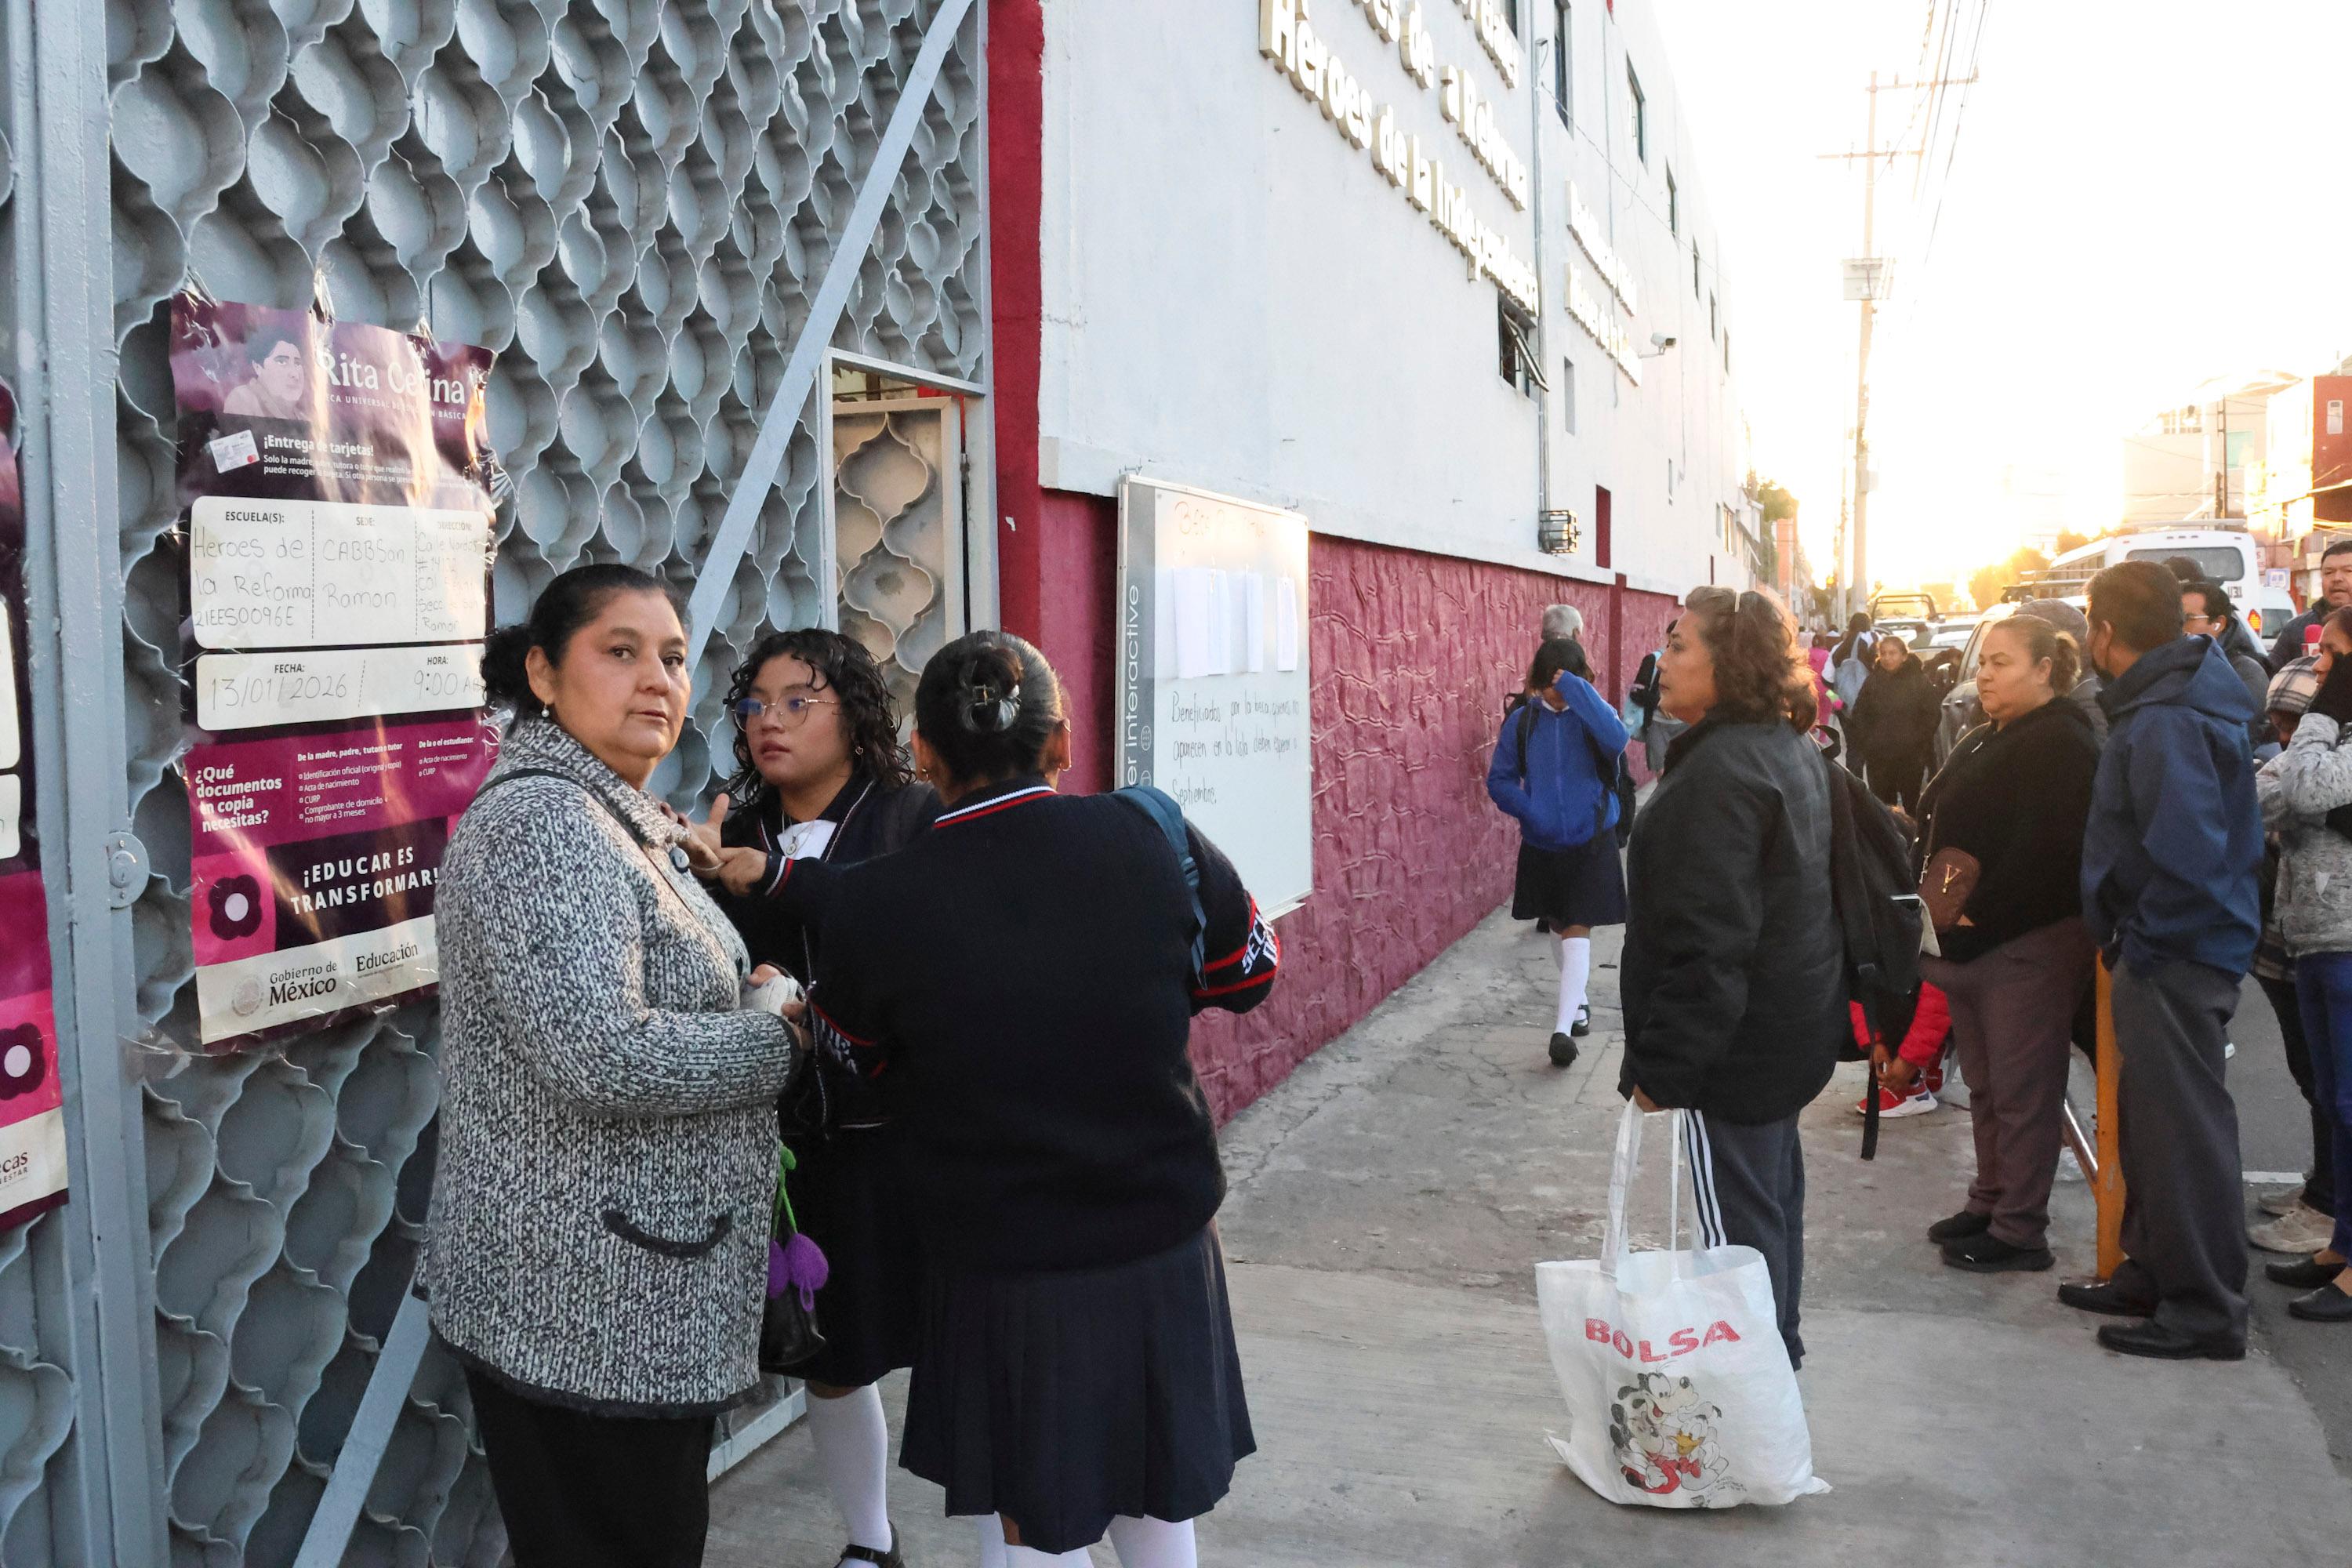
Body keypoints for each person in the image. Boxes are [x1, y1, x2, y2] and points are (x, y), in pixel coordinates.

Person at [808, 631, 1279, 1568]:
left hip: (1002, 1262)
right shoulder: (1155, 834)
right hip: (1163, 1243)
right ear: (1060, 742)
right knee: (1158, 1497)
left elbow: (853, 1062)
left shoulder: (871, 903)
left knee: (1031, 1524)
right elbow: (1248, 973)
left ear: (926, 754)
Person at [424, 565, 804, 1567]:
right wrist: (779, 1037)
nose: (658, 681)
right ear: (543, 673)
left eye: (674, 658)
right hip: (585, 1299)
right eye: (621, 651)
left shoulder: (613, 815)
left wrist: (741, 986)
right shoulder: (545, 823)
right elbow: (604, 1051)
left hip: (624, 1286)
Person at [687, 629, 938, 1568]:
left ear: (856, 712)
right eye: (755, 705)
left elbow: (919, 928)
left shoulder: (913, 816)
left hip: (911, 1132)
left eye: (800, 700)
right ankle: (870, 1541)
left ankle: (1022, 1534)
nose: (770, 723)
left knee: (969, 1335)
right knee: (832, 1355)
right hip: (797, 1137)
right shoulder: (732, 831)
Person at [1618, 586, 1843, 1370]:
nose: (1663, 660)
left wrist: (1665, 1069)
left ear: (1730, 662)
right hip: (1785, 1034)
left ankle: (1755, 1389)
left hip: (1741, 1054)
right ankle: (1776, 1358)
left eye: (1680, 645)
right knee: (1770, 1207)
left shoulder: (1720, 773)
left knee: (1737, 1237)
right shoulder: (1781, 745)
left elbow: (1710, 949)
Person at [2064, 560, 2259, 1359]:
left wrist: (2139, 940)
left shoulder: (2168, 716)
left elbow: (2188, 856)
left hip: (2177, 952)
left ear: (2102, 632)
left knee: (2183, 1133)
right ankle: (2154, 1267)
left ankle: (2205, 1306)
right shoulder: (2163, 701)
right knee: (2149, 1125)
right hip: (2171, 946)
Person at [1911, 613, 2102, 1272]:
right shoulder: (1987, 733)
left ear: (2046, 670)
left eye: (2002, 663)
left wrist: (1978, 915)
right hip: (1971, 942)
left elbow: (2049, 852)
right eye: (1983, 662)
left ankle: (2021, 1229)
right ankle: (1989, 1199)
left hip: (2028, 940)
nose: (1984, 674)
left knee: (2024, 1089)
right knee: (1988, 1085)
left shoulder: (2063, 742)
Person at [2256, 646, 2352, 1323]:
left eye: (2330, 667)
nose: (2317, 679)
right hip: (2315, 935)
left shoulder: (2331, 728)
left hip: (2348, 938)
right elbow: (2262, 794)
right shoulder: (2332, 737)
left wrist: (2320, 719)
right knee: (2333, 1097)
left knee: (2351, 1100)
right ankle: (2343, 1246)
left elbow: (2305, 791)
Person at [1487, 637, 1631, 1067]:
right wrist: (1530, 812)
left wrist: (1579, 690)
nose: (1558, 693)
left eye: (1565, 683)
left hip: (1591, 839)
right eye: (1551, 684)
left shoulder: (1595, 716)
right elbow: (1500, 780)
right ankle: (1579, 999)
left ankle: (1562, 1029)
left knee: (1577, 928)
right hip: (1543, 841)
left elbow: (1619, 740)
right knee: (1556, 924)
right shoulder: (1522, 722)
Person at [2248, 655, 2337, 1257]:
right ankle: (2322, 1191)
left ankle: (2331, 1206)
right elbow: (2254, 800)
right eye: (2277, 723)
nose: (2285, 735)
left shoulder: (2327, 763)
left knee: (2336, 1087)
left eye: (2297, 721)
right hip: (2289, 939)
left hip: (2331, 938)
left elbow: (2282, 795)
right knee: (2316, 1080)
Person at [1847, 633, 1941, 814]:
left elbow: (1932, 714)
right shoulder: (1873, 681)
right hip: (1879, 758)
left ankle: (1913, 840)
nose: (1888, 658)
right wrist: (1869, 741)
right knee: (1884, 809)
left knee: (1913, 806)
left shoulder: (1918, 681)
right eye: (1884, 653)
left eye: (1893, 653)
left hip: (1911, 757)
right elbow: (1859, 713)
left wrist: (1917, 739)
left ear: (1904, 656)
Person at [2181, 578, 2274, 753]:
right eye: (2176, 619)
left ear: (2219, 623)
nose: (2180, 627)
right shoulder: (2170, 665)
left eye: (2188, 619)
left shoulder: (2245, 672)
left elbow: (2241, 735)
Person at [2269, 537, 2352, 665]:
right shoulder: (2296, 629)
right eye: (2329, 572)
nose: (2337, 578)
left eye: (2348, 571)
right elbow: (2273, 675)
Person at [1626, 620, 1685, 772]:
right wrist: (1660, 702)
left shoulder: (1693, 661)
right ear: (1668, 635)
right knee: (1662, 773)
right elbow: (1636, 692)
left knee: (1682, 772)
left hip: (1684, 726)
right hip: (1657, 725)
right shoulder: (1653, 660)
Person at [222, 322, 311, 420]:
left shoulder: (304, 418)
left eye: (298, 364)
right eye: (282, 362)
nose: (295, 374)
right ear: (258, 367)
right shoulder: (242, 398)